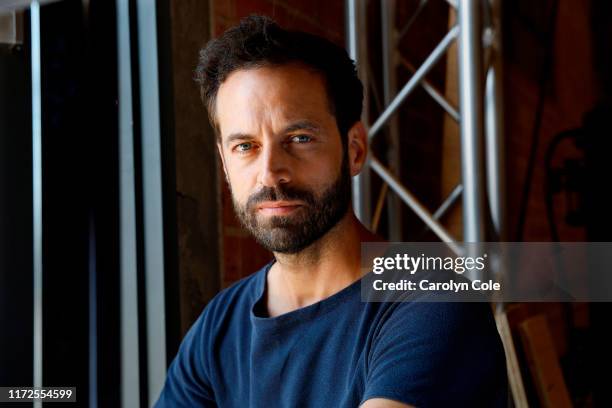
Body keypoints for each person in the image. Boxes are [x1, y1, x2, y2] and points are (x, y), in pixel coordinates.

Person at [155, 15, 507, 407]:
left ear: (354, 149)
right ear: (224, 163)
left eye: (299, 138)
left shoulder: (433, 300)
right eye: (245, 146)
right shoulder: (219, 327)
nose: (270, 172)